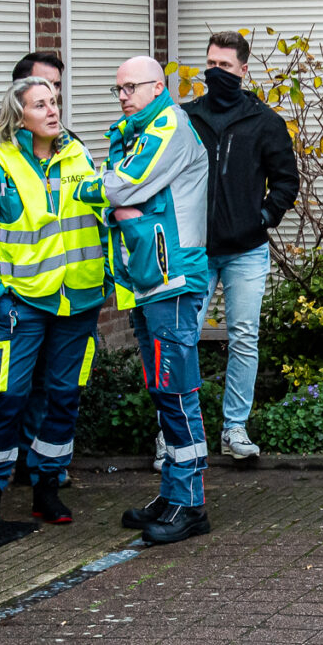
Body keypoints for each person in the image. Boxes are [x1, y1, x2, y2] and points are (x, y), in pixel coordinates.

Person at [0, 76, 106, 525]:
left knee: (63, 397)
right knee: (8, 396)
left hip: (80, 298)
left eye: (54, 102)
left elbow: (103, 220)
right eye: (41, 105)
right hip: (24, 302)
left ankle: (47, 489)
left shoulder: (79, 156)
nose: (53, 110)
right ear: (19, 118)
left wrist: (109, 278)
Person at [85, 54, 212, 545]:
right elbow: (118, 196)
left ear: (158, 86)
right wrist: (120, 204)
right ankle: (172, 493)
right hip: (146, 279)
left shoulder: (167, 126)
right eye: (118, 89)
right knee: (162, 391)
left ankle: (190, 504)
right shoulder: (135, 131)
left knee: (177, 391)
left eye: (131, 87)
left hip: (171, 278)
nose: (123, 96)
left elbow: (120, 186)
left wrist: (114, 200)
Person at [184, 30, 298, 463]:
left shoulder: (265, 121)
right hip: (194, 250)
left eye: (225, 66)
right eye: (211, 64)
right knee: (183, 337)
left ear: (243, 69)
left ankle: (234, 428)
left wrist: (262, 218)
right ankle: (177, 431)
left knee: (244, 338)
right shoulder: (185, 118)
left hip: (246, 251)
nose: (216, 72)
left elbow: (286, 181)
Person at [0, 52, 64, 153]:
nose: (52, 91)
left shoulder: (69, 140)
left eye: (56, 85)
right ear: (21, 85)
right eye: (43, 83)